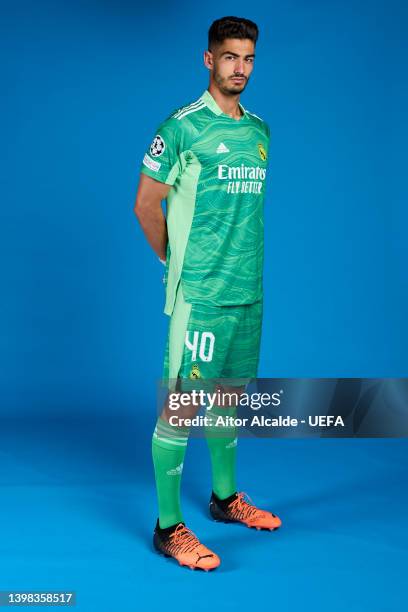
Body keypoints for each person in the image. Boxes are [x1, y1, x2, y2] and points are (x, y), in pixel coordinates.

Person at [134, 15, 281, 571]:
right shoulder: (181, 128)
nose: (239, 68)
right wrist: (174, 261)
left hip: (248, 293)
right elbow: (147, 205)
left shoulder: (261, 130)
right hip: (201, 295)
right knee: (180, 409)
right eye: (230, 57)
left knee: (227, 400)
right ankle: (168, 528)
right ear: (208, 59)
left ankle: (224, 499)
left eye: (248, 58)